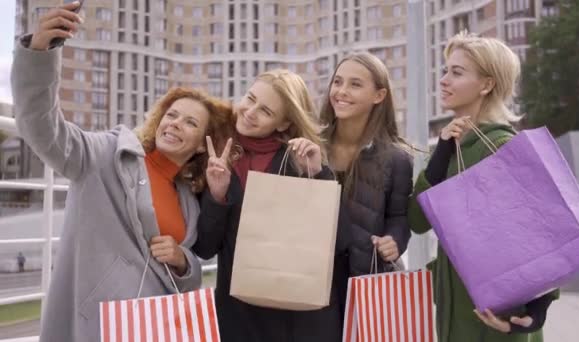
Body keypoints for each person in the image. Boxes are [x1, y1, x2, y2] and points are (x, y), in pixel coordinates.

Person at [11, 3, 234, 341]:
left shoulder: (189, 201)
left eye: (190, 122)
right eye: (172, 115)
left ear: (202, 145)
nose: (175, 124)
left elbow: (189, 275)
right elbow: (43, 129)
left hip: (158, 328)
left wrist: (182, 259)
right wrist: (40, 51)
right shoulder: (105, 155)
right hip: (99, 325)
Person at [407, 32, 558, 342]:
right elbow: (417, 221)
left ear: (487, 84)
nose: (444, 80)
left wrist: (534, 314)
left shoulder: (505, 148)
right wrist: (441, 153)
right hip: (455, 313)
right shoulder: (453, 149)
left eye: (457, 72)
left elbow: (546, 237)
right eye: (445, 70)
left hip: (498, 322)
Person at [193, 69, 348, 342]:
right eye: (250, 98)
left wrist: (317, 174)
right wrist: (216, 196)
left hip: (296, 316)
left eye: (265, 111)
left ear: (283, 124)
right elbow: (205, 247)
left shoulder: (299, 159)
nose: (250, 111)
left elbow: (338, 241)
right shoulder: (217, 152)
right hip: (237, 314)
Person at [319, 52, 413, 280]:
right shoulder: (312, 147)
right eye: (337, 81)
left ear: (379, 95)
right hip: (314, 280)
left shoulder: (396, 159)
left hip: (368, 282)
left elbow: (399, 218)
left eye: (355, 84)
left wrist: (395, 241)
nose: (341, 91)